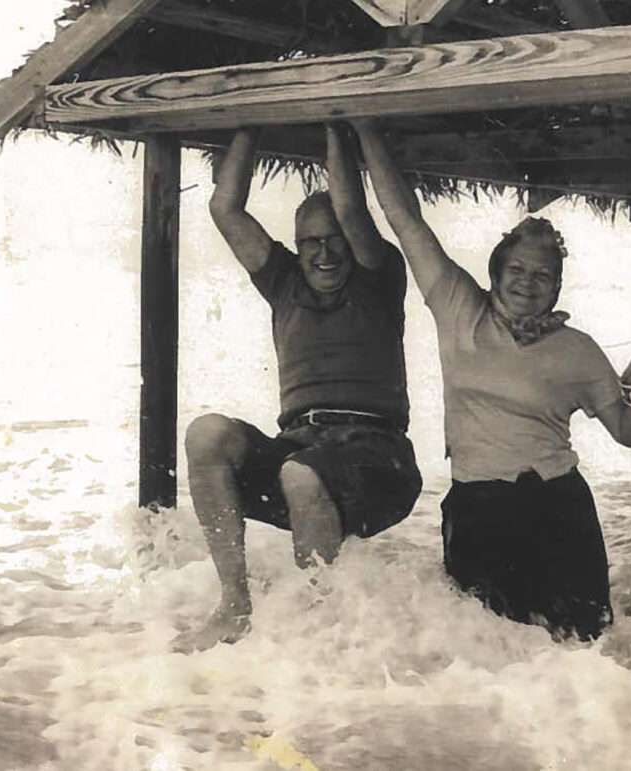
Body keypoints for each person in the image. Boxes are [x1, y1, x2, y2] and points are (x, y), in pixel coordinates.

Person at [352, 120, 631, 641]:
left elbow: (630, 433)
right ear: (495, 271)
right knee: (493, 656)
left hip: (560, 507)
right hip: (480, 508)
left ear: (557, 287)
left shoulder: (578, 350)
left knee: (586, 651)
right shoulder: (457, 308)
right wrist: (363, 126)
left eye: (543, 276)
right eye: (517, 270)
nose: (527, 283)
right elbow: (405, 219)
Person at [172, 126, 422, 653]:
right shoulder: (283, 281)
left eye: (335, 242)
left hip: (379, 463)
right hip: (302, 451)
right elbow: (225, 209)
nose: (325, 254)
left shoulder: (378, 277)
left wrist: (332, 120)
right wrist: (248, 122)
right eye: (311, 242)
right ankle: (234, 605)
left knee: (301, 473)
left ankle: (318, 630)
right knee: (207, 435)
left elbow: (355, 213)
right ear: (296, 245)